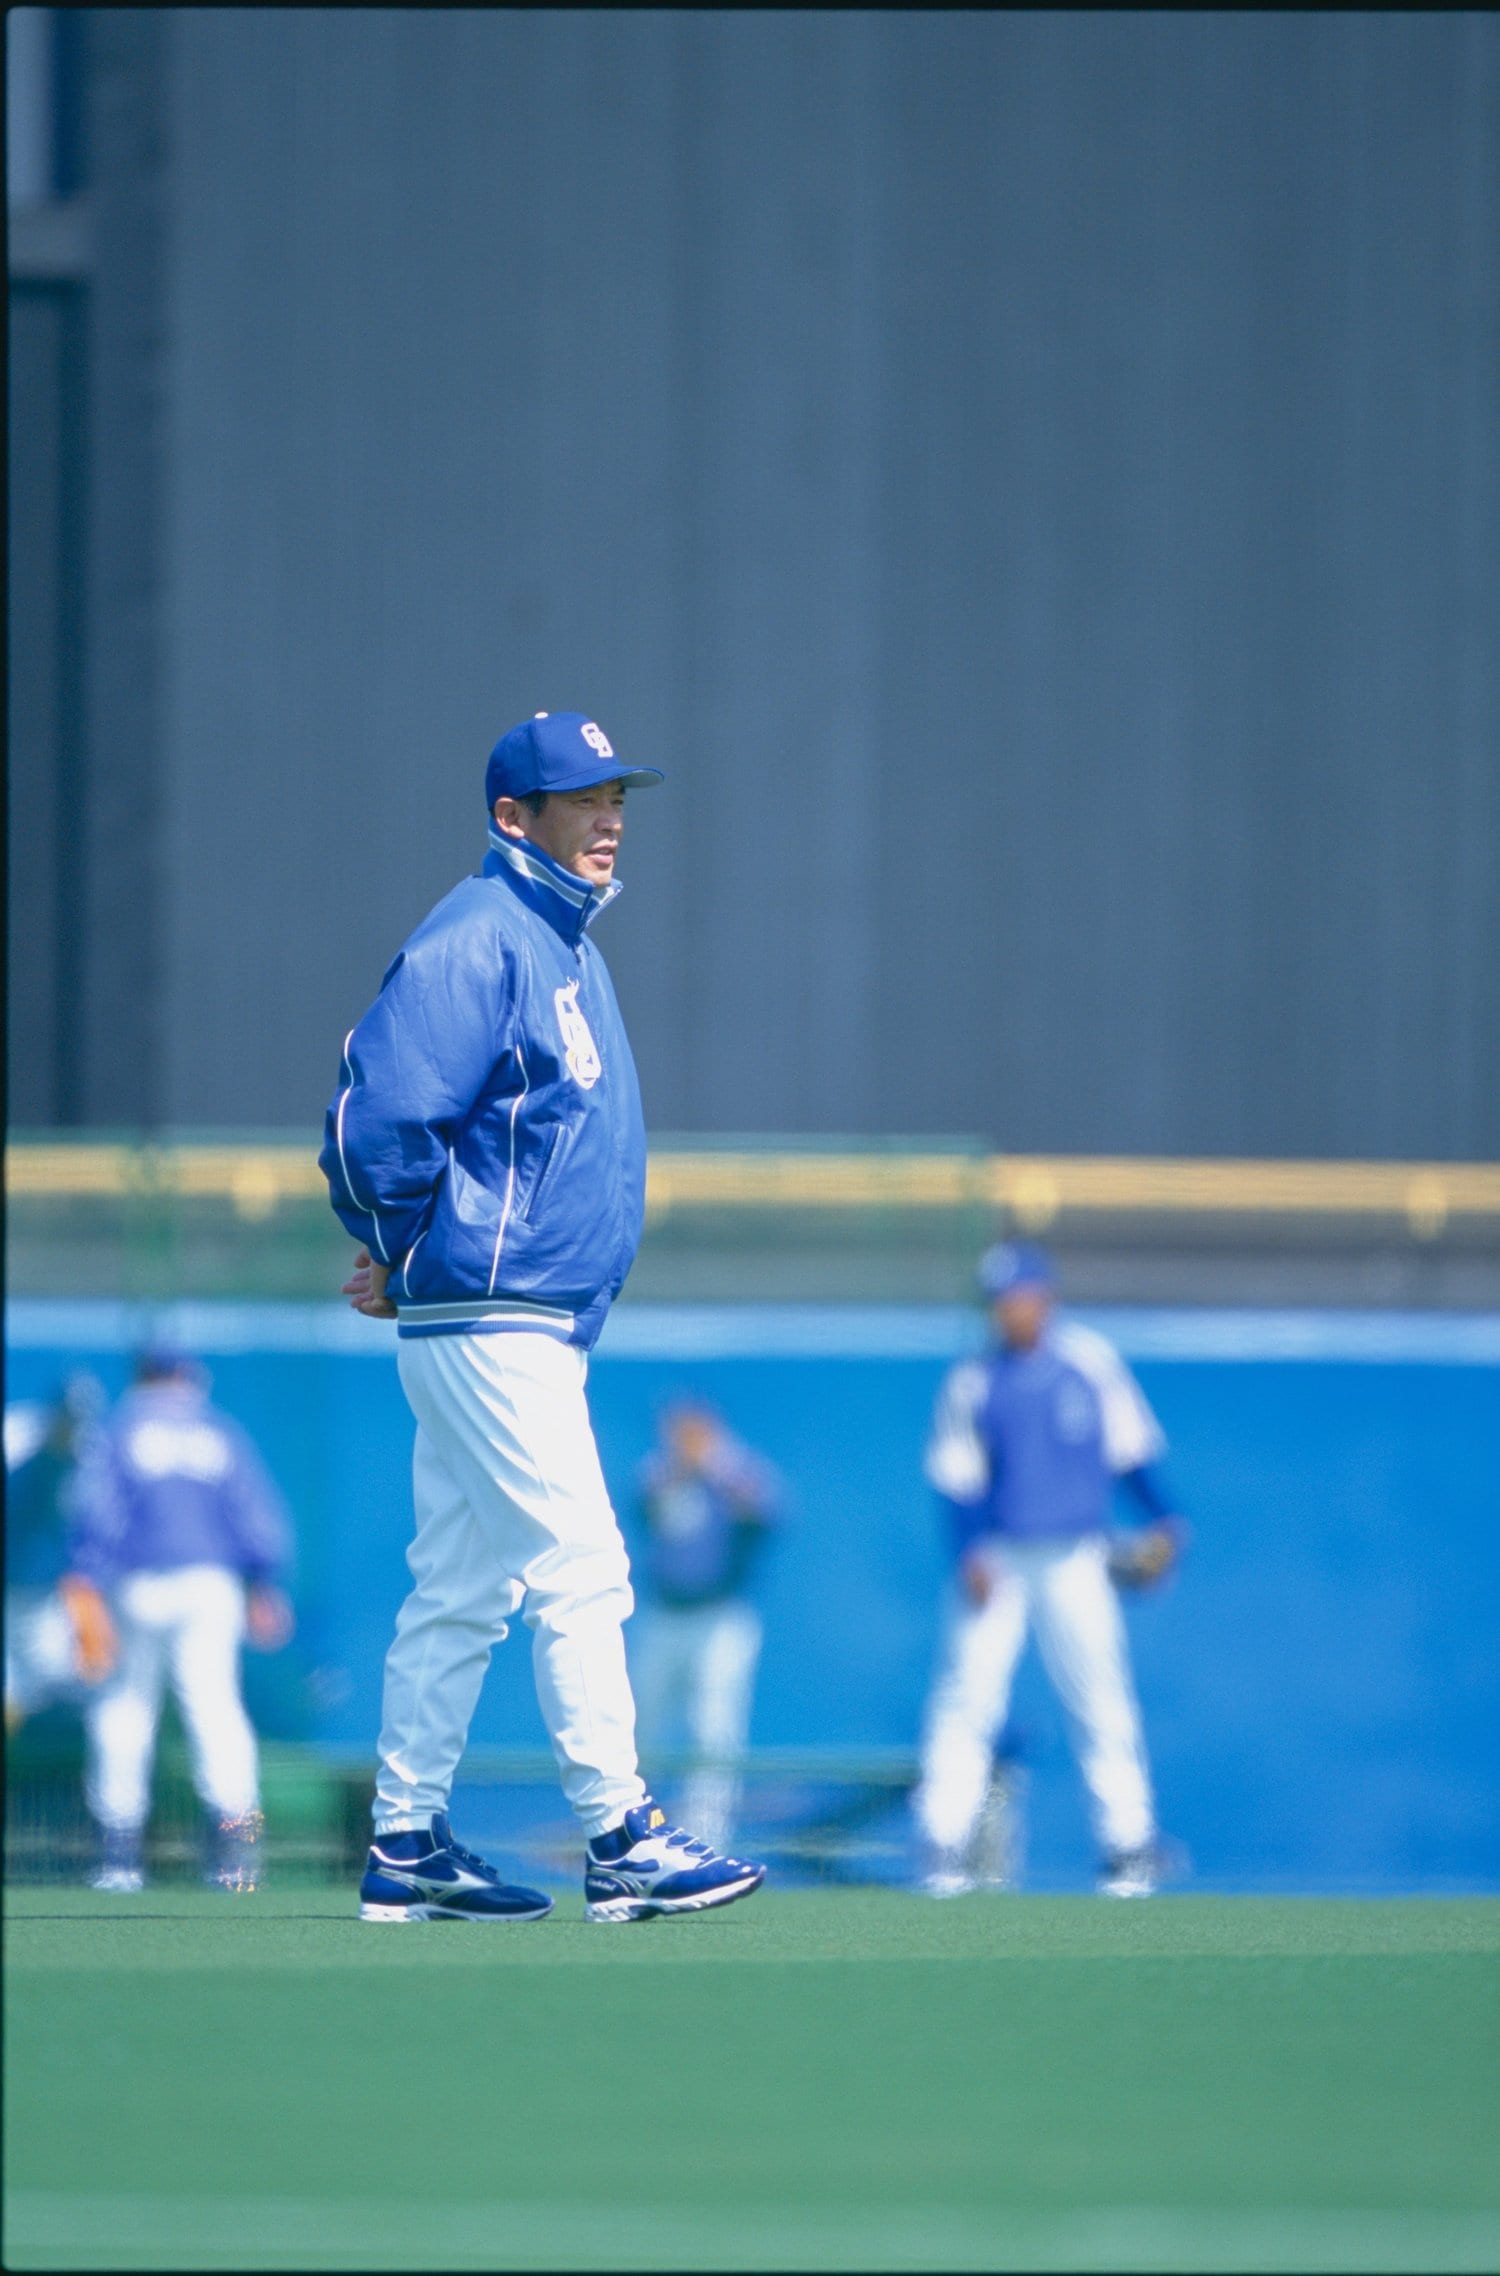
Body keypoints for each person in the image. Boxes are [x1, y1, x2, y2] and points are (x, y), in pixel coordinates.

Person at [320, 710, 766, 1925]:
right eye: (581, 797)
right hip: (493, 1319)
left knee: (464, 1585)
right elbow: (379, 1117)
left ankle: (407, 1841)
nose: (609, 815)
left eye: (617, 793)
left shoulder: (562, 944)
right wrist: (400, 1245)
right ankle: (620, 1833)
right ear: (514, 815)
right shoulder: (480, 935)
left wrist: (411, 1256)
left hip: (508, 1317)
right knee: (582, 1566)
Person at [914, 1242, 1187, 1898]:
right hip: (1002, 1556)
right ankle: (941, 1841)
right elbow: (957, 1483)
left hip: (1076, 1556)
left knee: (1100, 1695)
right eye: (998, 1303)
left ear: (1045, 1297)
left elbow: (1132, 1454)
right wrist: (968, 1555)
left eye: (1017, 1298)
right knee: (968, 1695)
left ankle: (1127, 1841)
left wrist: (1167, 1521)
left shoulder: (1089, 1363)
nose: (1008, 1312)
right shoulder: (975, 1380)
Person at [65, 1349, 296, 1893]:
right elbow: (255, 1514)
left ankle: (117, 1858)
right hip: (209, 1585)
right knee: (215, 1709)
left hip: (137, 1584)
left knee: (124, 1708)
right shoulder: (217, 1429)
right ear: (187, 1377)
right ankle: (238, 1856)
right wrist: (263, 1582)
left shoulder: (119, 1429)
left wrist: (84, 1577)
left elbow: (94, 1510)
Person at [631, 1399, 782, 1854]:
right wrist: (681, 1469)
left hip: (719, 1618)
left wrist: (717, 1468)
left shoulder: (735, 1472)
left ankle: (708, 1839)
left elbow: (767, 1513)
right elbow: (643, 1505)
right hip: (664, 1616)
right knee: (642, 1726)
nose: (688, 1442)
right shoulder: (660, 1473)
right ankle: (637, 1833)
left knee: (713, 1729)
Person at [5, 1373, 113, 1730]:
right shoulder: (18, 1436)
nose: (72, 1427)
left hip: (46, 1591)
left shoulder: (91, 1450)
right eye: (67, 1417)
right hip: (23, 1583)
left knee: (52, 1677)